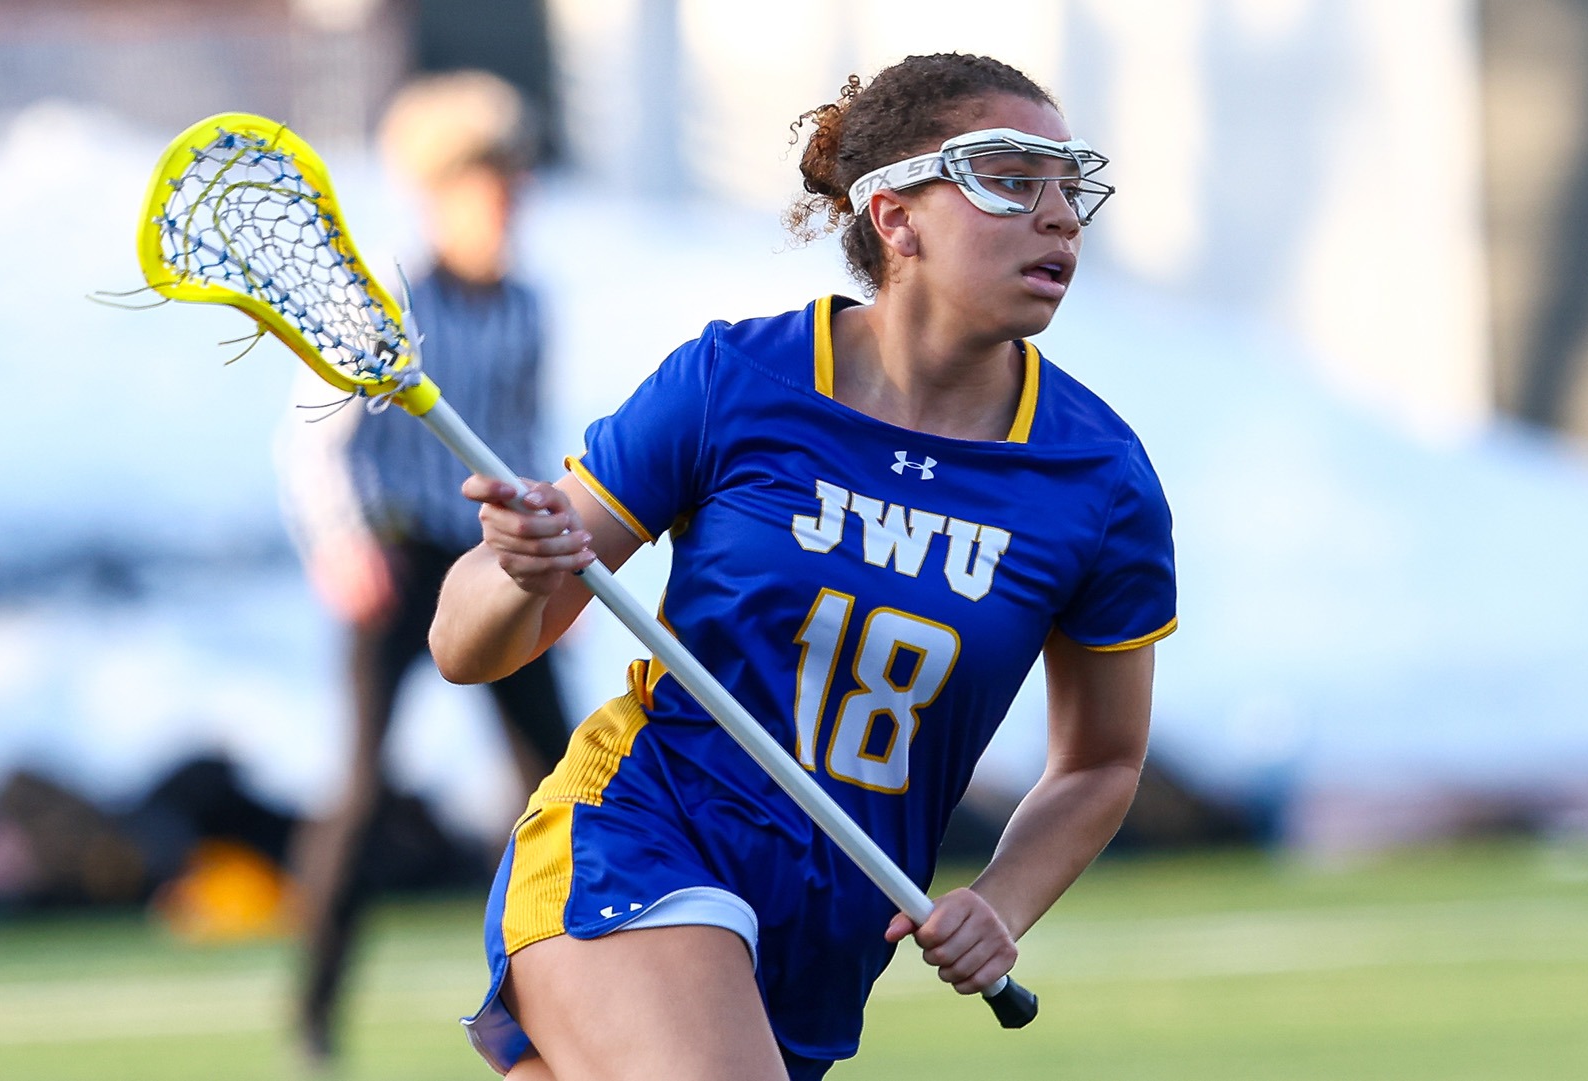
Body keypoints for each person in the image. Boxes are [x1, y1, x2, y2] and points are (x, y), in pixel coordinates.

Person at [431, 52, 1176, 1080]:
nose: (1059, 217)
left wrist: (1001, 903)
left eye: (1067, 185)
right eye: (1010, 180)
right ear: (896, 217)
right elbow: (463, 646)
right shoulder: (734, 380)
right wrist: (518, 569)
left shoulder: (1099, 477)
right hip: (639, 836)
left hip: (827, 938)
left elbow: (1101, 762)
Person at [273, 69, 574, 1066]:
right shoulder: (390, 299)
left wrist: (551, 551)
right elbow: (315, 438)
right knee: (364, 787)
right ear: (440, 195)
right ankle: (315, 1011)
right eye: (486, 186)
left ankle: (567, 988)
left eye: (513, 184)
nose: (506, 205)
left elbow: (522, 436)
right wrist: (340, 542)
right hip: (397, 556)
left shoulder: (526, 306)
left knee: (559, 777)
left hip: (491, 558)